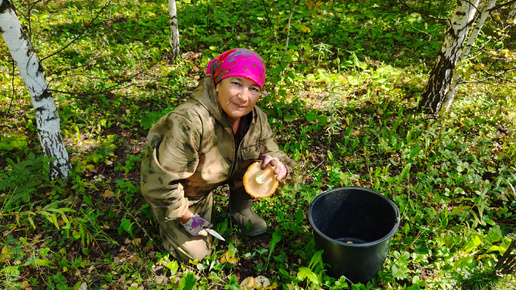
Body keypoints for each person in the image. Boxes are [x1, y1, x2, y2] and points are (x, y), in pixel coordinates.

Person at [140, 48, 293, 262]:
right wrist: (185, 215)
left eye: (254, 89)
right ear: (218, 82)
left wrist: (279, 165)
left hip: (216, 175)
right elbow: (159, 183)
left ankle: (240, 209)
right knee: (198, 254)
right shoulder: (189, 121)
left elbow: (271, 150)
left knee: (261, 160)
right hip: (188, 191)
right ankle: (163, 217)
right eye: (236, 84)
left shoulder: (256, 119)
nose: (243, 97)